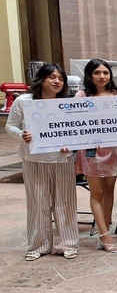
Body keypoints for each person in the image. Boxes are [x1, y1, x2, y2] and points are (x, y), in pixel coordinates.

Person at [6, 64, 79, 260]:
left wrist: (70, 145)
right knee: (38, 203)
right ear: (41, 79)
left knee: (65, 202)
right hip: (34, 159)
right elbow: (10, 126)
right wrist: (23, 135)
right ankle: (38, 245)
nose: (57, 81)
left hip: (62, 159)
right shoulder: (24, 101)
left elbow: (74, 131)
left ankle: (67, 243)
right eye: (52, 77)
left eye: (60, 78)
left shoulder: (66, 104)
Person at [75, 58, 117, 252]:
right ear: (90, 75)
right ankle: (104, 235)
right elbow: (74, 123)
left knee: (110, 190)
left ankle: (107, 229)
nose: (102, 76)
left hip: (113, 150)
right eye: (97, 73)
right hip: (91, 151)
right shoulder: (81, 96)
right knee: (97, 192)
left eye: (105, 72)